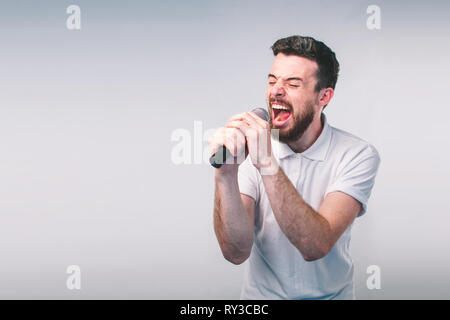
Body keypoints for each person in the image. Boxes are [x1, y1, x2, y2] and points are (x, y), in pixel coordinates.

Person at [208, 35, 381, 300]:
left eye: (292, 83)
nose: (276, 91)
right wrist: (225, 175)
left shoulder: (357, 154)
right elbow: (236, 252)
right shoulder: (252, 147)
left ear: (324, 96)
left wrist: (266, 162)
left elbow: (314, 245)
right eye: (272, 80)